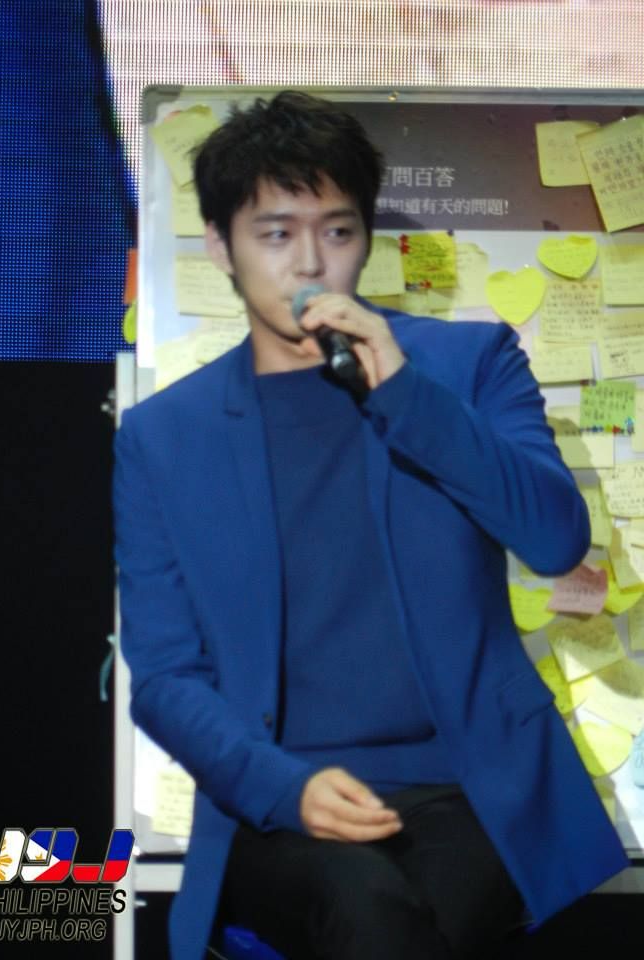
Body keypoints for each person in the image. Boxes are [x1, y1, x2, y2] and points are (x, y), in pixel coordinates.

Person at [113, 91, 628, 960]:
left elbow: (554, 540)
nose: (311, 262)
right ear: (222, 248)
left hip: (470, 784)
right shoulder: (165, 436)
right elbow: (164, 676)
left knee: (391, 920)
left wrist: (407, 394)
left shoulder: (467, 366)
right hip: (279, 794)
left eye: (338, 231)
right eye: (276, 234)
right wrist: (285, 788)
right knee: (367, 908)